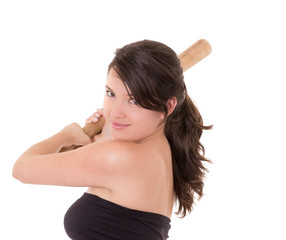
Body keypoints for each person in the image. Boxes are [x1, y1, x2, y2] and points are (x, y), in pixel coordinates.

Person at [12, 40, 212, 240]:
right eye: (111, 93)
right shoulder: (158, 151)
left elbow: (22, 169)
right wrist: (100, 139)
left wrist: (68, 134)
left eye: (133, 100)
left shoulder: (121, 157)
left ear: (168, 107)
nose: (116, 112)